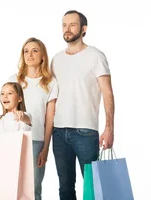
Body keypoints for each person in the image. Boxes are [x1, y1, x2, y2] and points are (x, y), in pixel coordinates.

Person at [50, 10, 115, 200]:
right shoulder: (56, 59)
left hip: (85, 132)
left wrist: (109, 127)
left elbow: (108, 93)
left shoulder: (95, 56)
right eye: (64, 25)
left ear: (83, 29)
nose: (67, 29)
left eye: (72, 24)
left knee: (93, 189)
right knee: (65, 188)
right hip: (59, 132)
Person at [8, 37, 58, 200]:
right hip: (13, 138)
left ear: (43, 56)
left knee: (34, 188)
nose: (29, 54)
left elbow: (49, 119)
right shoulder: (14, 80)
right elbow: (6, 110)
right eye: (26, 51)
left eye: (35, 50)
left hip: (36, 140)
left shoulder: (50, 83)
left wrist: (45, 148)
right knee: (11, 186)